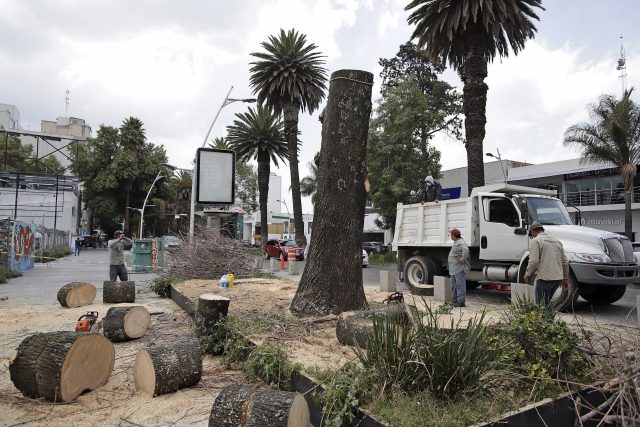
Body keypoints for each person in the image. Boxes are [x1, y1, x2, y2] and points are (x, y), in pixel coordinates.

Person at [523, 222, 569, 307]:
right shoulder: (557, 241)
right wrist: (565, 278)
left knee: (541, 305)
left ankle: (546, 319)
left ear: (533, 231)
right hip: (558, 279)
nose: (532, 236)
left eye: (531, 234)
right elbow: (565, 262)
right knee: (547, 303)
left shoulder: (536, 241)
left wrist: (527, 274)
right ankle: (549, 319)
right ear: (542, 230)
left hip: (545, 278)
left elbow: (534, 261)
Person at [448, 228, 470, 307]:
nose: (450, 236)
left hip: (459, 269)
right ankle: (454, 301)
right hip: (454, 269)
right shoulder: (457, 242)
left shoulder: (461, 242)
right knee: (454, 284)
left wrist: (462, 259)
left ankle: (461, 302)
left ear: (453, 235)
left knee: (460, 285)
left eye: (451, 234)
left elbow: (466, 250)